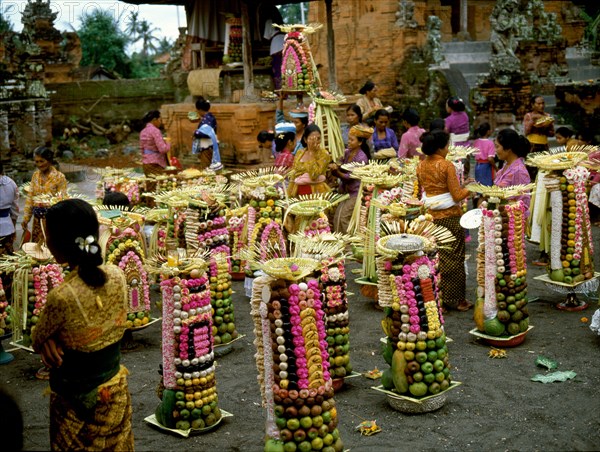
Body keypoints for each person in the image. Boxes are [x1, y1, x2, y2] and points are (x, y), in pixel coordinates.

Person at [31, 199, 134, 451]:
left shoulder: (62, 296)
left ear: (57, 244)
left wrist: (49, 340)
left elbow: (36, 339)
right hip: (115, 392)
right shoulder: (117, 275)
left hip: (74, 401)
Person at [416, 130, 473, 312]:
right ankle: (455, 299)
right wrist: (470, 189)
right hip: (450, 218)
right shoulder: (446, 165)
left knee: (436, 257)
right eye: (447, 146)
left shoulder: (421, 166)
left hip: (431, 218)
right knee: (454, 258)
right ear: (440, 147)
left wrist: (462, 186)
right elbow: (456, 196)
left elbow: (435, 192)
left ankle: (437, 295)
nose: (448, 149)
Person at [21, 147, 68, 244]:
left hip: (53, 220)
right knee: (37, 248)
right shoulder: (35, 176)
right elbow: (30, 198)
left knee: (51, 246)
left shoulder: (59, 177)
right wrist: (26, 218)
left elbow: (62, 199)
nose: (39, 165)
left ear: (50, 160)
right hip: (37, 221)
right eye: (36, 162)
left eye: (42, 161)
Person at [331, 125, 372, 233]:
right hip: (345, 191)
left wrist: (337, 172)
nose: (348, 142)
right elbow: (341, 164)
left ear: (360, 142)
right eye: (349, 139)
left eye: (351, 140)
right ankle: (339, 242)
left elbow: (350, 177)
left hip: (356, 192)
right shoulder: (347, 152)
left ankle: (348, 245)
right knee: (337, 217)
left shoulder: (361, 157)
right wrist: (336, 164)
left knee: (344, 218)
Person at [494, 128, 532, 218]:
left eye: (497, 146)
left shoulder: (519, 171)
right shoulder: (506, 165)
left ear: (508, 149)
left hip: (513, 223)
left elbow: (524, 204)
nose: (495, 150)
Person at [287, 124, 331, 197]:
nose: (315, 141)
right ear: (305, 139)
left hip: (317, 193)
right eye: (312, 139)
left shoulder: (324, 154)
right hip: (299, 191)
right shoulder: (300, 153)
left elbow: (314, 175)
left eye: (318, 138)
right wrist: (289, 194)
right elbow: (294, 172)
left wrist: (312, 154)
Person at [523, 95, 554, 180]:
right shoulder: (529, 116)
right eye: (539, 103)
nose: (541, 106)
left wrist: (547, 125)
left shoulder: (547, 116)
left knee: (544, 169)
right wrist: (533, 120)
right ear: (533, 105)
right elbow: (526, 132)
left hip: (544, 145)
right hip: (531, 146)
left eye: (543, 103)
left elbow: (552, 133)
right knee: (531, 169)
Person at [140, 110, 171, 176]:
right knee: (160, 184)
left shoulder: (143, 131)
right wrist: (168, 143)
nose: (161, 122)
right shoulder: (155, 131)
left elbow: (142, 149)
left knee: (150, 184)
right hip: (156, 163)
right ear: (154, 120)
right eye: (160, 120)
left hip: (146, 163)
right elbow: (163, 149)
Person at [472, 122, 497, 193]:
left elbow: (474, 155)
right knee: (486, 190)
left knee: (479, 189)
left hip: (478, 166)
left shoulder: (476, 142)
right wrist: (496, 168)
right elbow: (490, 159)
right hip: (486, 168)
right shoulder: (490, 143)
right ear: (488, 131)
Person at [0, 163, 19, 255]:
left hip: (6, 227)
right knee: (7, 259)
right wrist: (13, 227)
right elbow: (15, 209)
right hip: (7, 226)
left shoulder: (10, 183)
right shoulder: (11, 183)